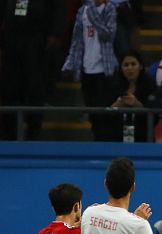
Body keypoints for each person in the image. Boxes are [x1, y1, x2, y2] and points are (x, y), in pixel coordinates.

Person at [0, 0, 66, 140]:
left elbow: (59, 7)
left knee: (35, 87)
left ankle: (34, 131)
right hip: (11, 38)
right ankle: (9, 131)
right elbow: (0, 4)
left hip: (37, 39)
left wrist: (55, 33)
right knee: (9, 86)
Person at [62, 0, 119, 142]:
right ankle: (97, 141)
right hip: (87, 70)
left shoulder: (110, 9)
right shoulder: (82, 11)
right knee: (92, 112)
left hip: (105, 70)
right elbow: (77, 40)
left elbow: (108, 34)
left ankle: (107, 141)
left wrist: (94, 16)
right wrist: (69, 63)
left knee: (105, 112)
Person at [111, 50, 155, 143]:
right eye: (126, 65)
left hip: (142, 139)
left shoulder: (150, 85)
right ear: (121, 68)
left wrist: (137, 104)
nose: (129, 68)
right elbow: (105, 115)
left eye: (133, 64)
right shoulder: (113, 85)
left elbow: (155, 118)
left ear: (141, 66)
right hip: (117, 138)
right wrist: (116, 105)